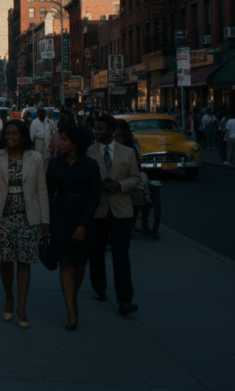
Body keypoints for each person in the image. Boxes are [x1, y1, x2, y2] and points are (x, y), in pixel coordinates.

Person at [0, 119, 49, 329]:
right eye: (7, 134)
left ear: (23, 136)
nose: (10, 137)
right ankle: (9, 296)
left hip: (29, 215)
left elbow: (41, 190)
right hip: (4, 215)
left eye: (14, 134)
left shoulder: (35, 157)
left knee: (24, 261)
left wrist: (45, 219)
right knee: (5, 260)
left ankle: (21, 306)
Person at [47, 125, 102, 331]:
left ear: (76, 143)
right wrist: (48, 222)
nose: (59, 143)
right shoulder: (54, 164)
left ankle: (73, 299)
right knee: (66, 264)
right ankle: (71, 313)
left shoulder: (90, 165)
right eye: (60, 139)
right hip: (60, 215)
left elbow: (95, 197)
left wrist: (83, 224)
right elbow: (48, 193)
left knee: (79, 265)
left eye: (64, 140)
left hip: (84, 216)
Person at [87, 114, 142, 316]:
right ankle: (100, 288)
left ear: (113, 131)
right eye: (96, 129)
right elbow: (86, 178)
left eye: (101, 129)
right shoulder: (90, 152)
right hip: (98, 209)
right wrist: (98, 184)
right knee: (96, 252)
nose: (97, 132)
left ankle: (125, 299)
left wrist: (119, 185)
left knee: (121, 255)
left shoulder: (127, 153)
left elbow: (136, 178)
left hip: (121, 210)